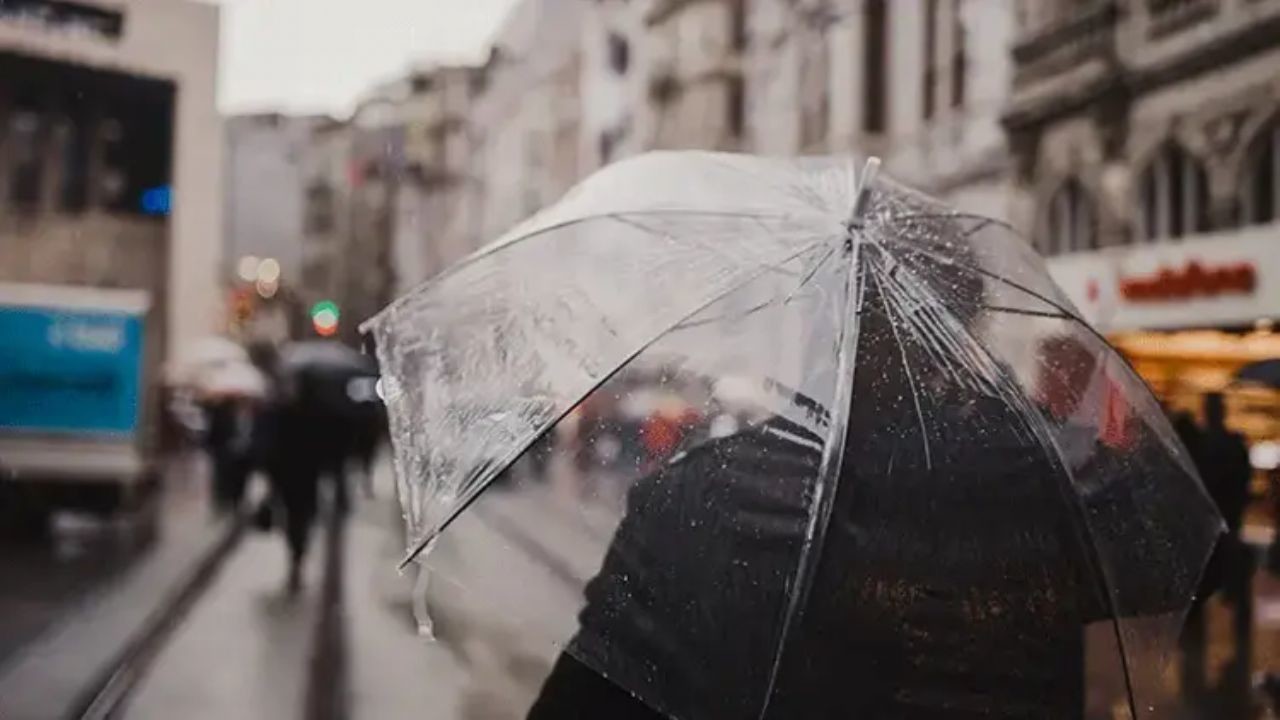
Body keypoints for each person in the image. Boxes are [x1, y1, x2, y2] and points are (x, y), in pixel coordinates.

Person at [527, 221, 1212, 719]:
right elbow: (1179, 554)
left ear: (820, 328)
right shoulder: (1044, 487)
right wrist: (1013, 409)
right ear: (961, 329)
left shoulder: (693, 500)